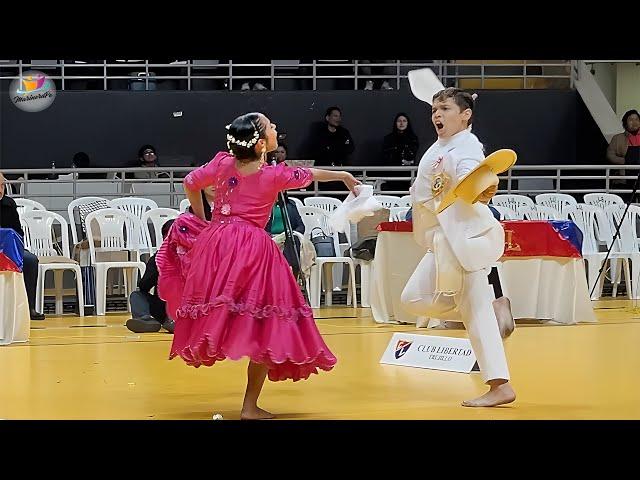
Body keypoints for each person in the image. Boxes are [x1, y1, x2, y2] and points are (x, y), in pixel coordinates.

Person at [156, 112, 360, 420]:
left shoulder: (223, 163)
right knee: (266, 321)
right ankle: (249, 406)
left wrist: (203, 217)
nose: (278, 127)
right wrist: (344, 176)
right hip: (252, 248)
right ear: (262, 143)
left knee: (226, 309)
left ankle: (241, 384)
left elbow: (190, 183)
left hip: (218, 243)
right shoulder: (273, 175)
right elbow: (313, 174)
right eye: (272, 126)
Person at [400, 88, 516, 407]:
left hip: (463, 241)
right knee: (413, 299)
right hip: (442, 241)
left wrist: (482, 188)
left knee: (472, 310)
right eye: (434, 109)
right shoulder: (438, 148)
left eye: (445, 108)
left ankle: (499, 385)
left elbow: (474, 175)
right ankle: (492, 313)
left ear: (465, 115)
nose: (437, 114)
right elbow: (424, 191)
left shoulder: (467, 145)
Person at [0, 172, 45, 320]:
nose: (0, 189)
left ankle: (29, 307)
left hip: (9, 249)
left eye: (2, 185)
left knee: (30, 260)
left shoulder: (9, 204)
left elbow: (18, 231)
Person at [126, 220, 176, 334]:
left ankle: (145, 318)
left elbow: (144, 285)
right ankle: (151, 320)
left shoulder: (159, 259)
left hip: (178, 308)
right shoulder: (198, 255)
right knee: (137, 295)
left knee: (137, 295)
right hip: (171, 308)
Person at [382, 112, 420, 192]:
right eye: (399, 121)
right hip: (392, 174)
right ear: (395, 123)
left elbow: (412, 154)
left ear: (408, 123)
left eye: (404, 121)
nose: (401, 123)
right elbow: (386, 155)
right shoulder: (388, 138)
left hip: (408, 175)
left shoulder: (413, 138)